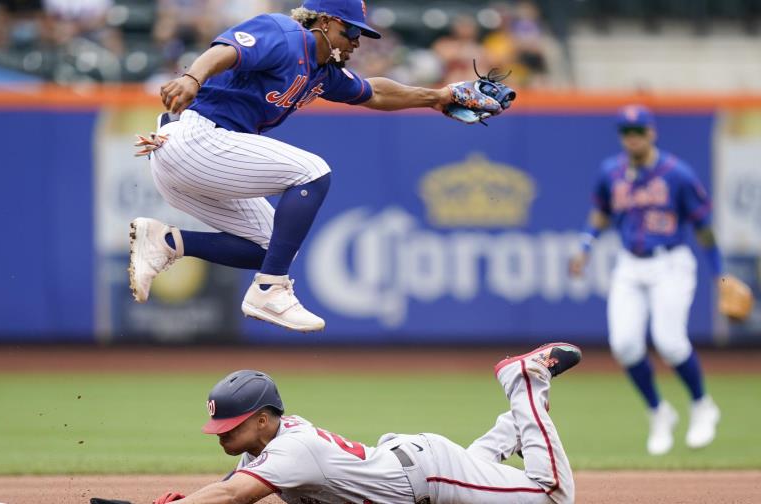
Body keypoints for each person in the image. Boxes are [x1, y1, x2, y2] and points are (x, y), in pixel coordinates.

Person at [128, 0, 500, 332]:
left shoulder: (323, 72)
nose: (356, 41)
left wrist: (438, 96)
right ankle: (270, 288)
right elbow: (227, 50)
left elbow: (377, 92)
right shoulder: (285, 34)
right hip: (194, 139)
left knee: (273, 245)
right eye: (350, 30)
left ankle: (167, 241)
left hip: (195, 160)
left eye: (361, 34)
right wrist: (193, 76)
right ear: (323, 21)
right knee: (312, 172)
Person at [152, 343, 581, 504]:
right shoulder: (266, 445)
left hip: (434, 476)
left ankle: (523, 382)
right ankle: (518, 422)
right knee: (483, 472)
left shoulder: (291, 450)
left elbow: (231, 494)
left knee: (554, 496)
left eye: (233, 425)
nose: (223, 434)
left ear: (263, 420)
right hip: (419, 471)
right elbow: (230, 481)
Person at [568, 105, 722, 455]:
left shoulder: (677, 174)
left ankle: (702, 404)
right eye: (625, 131)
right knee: (624, 345)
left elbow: (704, 228)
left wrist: (721, 277)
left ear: (652, 132)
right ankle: (659, 411)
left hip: (670, 262)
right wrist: (586, 245)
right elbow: (601, 212)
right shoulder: (611, 171)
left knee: (669, 342)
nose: (631, 137)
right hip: (629, 264)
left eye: (637, 130)